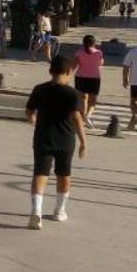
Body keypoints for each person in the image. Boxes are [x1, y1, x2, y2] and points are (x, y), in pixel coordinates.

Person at [24, 55, 88, 230]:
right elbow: (76, 119)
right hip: (65, 139)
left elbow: (29, 111)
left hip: (43, 137)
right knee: (64, 174)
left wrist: (33, 120)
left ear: (50, 71)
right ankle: (59, 210)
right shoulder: (73, 94)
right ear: (69, 72)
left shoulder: (39, 89)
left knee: (40, 173)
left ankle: (36, 211)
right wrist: (83, 142)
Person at [72, 34, 104, 128]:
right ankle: (88, 116)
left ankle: (82, 117)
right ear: (94, 43)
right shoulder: (99, 53)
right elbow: (100, 63)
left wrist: (68, 75)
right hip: (94, 78)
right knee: (93, 100)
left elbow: (74, 65)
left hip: (80, 77)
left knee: (82, 98)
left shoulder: (79, 53)